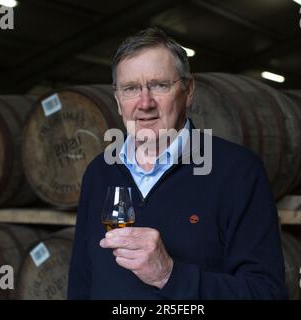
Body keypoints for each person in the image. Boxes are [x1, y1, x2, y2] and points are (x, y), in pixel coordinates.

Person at [68, 27, 287, 299]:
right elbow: (81, 282)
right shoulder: (99, 172)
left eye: (160, 85)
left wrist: (169, 275)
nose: (144, 102)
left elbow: (266, 293)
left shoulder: (238, 172)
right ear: (117, 99)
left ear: (188, 90)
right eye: (131, 89)